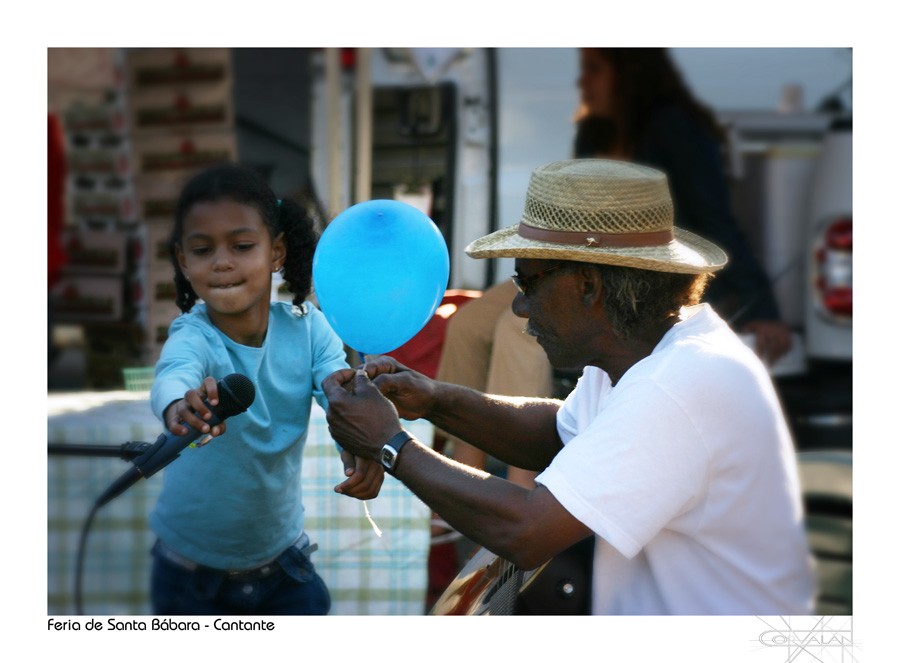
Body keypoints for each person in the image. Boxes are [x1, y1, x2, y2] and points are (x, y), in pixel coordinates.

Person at [324, 159, 815, 615]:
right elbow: (556, 433)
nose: (518, 307)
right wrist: (433, 399)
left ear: (588, 286)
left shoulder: (675, 384)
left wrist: (390, 445)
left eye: (527, 282)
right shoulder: (642, 351)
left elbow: (527, 530)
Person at [148, 162, 384, 615]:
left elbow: (339, 391)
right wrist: (178, 405)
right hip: (189, 578)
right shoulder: (193, 334)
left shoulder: (310, 329)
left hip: (285, 568)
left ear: (276, 252)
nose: (221, 262)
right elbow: (175, 371)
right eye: (202, 249)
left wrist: (361, 440)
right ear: (183, 260)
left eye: (241, 245)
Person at [575, 47, 792, 363]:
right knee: (478, 324)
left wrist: (761, 309)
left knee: (520, 334)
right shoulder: (592, 135)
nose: (581, 82)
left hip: (650, 289)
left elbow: (715, 221)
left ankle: (543, 414)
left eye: (594, 69)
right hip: (585, 280)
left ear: (628, 73)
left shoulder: (673, 126)